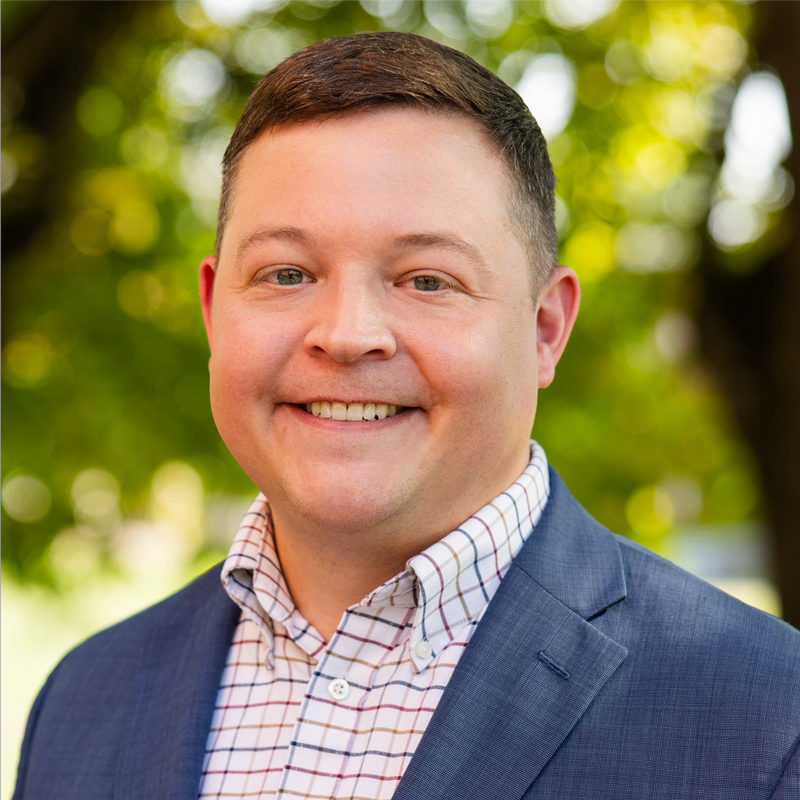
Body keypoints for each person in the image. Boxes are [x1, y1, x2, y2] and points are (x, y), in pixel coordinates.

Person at [13, 32, 800, 800]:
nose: (348, 335)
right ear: (215, 312)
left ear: (543, 331)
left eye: (427, 280)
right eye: (287, 273)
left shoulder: (767, 716)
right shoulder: (83, 700)